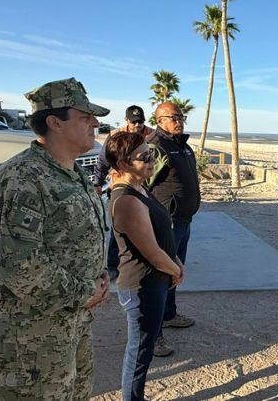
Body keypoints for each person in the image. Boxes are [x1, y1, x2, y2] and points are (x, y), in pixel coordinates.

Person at [0, 77, 110, 399]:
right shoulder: (21, 177)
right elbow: (18, 263)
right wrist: (84, 290)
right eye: (85, 117)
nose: (96, 123)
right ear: (55, 122)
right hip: (32, 330)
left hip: (71, 319)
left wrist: (98, 278)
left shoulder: (70, 170)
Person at [106, 132, 183, 399]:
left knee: (145, 349)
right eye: (144, 157)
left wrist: (175, 260)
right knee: (139, 352)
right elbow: (151, 253)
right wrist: (175, 270)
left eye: (152, 155)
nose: (152, 161)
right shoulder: (126, 199)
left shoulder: (140, 187)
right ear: (124, 163)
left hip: (155, 282)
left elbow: (160, 237)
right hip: (142, 287)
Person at [145, 102, 201, 356]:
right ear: (159, 120)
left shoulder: (182, 145)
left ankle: (169, 315)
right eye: (173, 117)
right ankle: (153, 335)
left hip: (183, 221)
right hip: (166, 223)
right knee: (159, 277)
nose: (179, 121)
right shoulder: (157, 146)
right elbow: (143, 184)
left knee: (175, 273)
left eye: (181, 116)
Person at [93, 105, 154, 276]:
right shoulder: (115, 135)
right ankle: (113, 265)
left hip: (145, 186)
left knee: (145, 225)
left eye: (141, 122)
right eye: (134, 122)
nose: (138, 126)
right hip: (120, 185)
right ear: (126, 121)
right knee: (119, 228)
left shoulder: (151, 134)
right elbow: (103, 161)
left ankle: (145, 259)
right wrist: (98, 182)